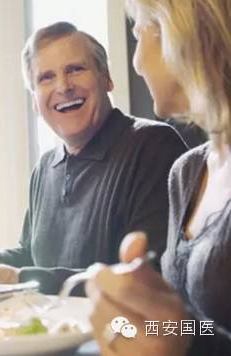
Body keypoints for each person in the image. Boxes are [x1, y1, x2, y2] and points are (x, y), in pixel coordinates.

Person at [0, 22, 187, 292]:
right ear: (35, 100)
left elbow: (147, 280)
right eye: (46, 77)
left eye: (75, 69)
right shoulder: (46, 167)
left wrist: (15, 279)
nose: (63, 86)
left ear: (107, 78)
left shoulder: (153, 146)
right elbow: (28, 257)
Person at [86, 0, 231, 354]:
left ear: (177, 29)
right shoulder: (186, 174)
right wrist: (135, 322)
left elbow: (188, 337)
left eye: (138, 33)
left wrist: (184, 344)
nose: (135, 63)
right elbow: (186, 328)